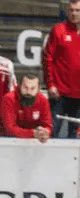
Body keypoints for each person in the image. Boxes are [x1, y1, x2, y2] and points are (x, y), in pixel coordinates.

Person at [42, 0, 80, 138]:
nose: (74, 13)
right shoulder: (58, 30)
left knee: (75, 137)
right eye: (71, 10)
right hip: (59, 94)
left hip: (79, 97)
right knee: (51, 133)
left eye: (77, 10)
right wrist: (50, 84)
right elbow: (47, 58)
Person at [0, 74, 52, 142]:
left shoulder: (43, 101)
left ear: (38, 89)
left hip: (35, 142)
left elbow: (48, 126)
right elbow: (9, 128)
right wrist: (33, 133)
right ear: (19, 86)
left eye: (33, 88)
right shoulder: (9, 99)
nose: (28, 92)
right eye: (25, 87)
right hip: (8, 141)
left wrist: (44, 133)